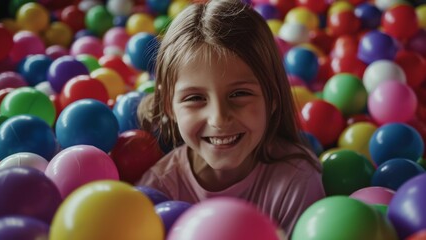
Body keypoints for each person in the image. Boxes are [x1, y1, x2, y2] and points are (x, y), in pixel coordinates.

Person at [137, 0, 325, 236]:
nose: (219, 119)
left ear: (273, 97)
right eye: (195, 98)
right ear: (169, 105)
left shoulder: (294, 180)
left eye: (239, 94)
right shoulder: (157, 191)